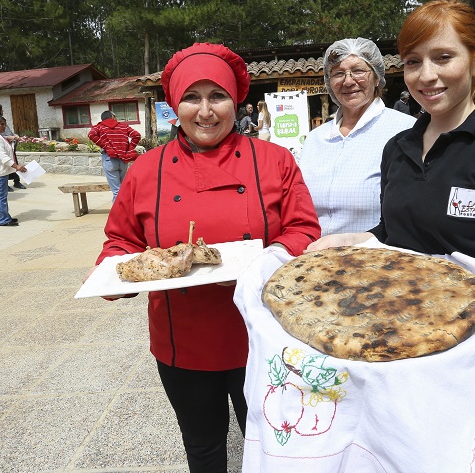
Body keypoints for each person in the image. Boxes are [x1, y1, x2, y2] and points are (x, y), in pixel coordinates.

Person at [307, 0, 475, 471]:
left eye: (443, 57)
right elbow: (395, 233)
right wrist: (350, 241)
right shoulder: (397, 149)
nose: (427, 76)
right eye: (414, 62)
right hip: (405, 348)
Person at [95, 43, 320, 472]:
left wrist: (265, 260)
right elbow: (120, 241)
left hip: (265, 334)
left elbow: (304, 229)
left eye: (217, 96)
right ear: (174, 104)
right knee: (203, 449)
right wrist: (115, 276)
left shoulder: (274, 160)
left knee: (276, 445)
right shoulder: (147, 169)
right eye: (191, 98)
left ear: (236, 101)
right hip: (184, 342)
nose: (206, 111)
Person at [299, 38, 416, 235]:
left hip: (374, 258)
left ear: (377, 76)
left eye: (358, 71)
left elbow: (414, 211)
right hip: (315, 258)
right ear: (329, 82)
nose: (348, 81)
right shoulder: (314, 139)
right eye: (338, 73)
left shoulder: (405, 131)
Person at [87, 111, 141, 203]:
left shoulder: (99, 127)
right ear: (112, 116)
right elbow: (136, 135)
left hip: (109, 159)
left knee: (117, 190)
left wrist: (105, 146)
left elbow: (91, 134)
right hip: (123, 159)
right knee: (122, 188)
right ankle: (126, 211)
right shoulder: (124, 126)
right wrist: (129, 149)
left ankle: (119, 215)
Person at [0, 115, 28, 226]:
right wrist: (17, 167)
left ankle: (5, 216)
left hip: (0, 170)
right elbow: (2, 157)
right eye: (1, 124)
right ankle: (3, 219)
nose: (4, 127)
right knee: (0, 196)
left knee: (2, 195)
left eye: (4, 124)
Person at [0, 103, 25, 190]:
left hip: (9, 146)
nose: (2, 111)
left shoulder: (2, 121)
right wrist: (9, 138)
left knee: (12, 163)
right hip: (1, 152)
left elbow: (8, 132)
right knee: (6, 166)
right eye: (1, 109)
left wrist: (14, 136)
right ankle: (5, 184)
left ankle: (16, 181)